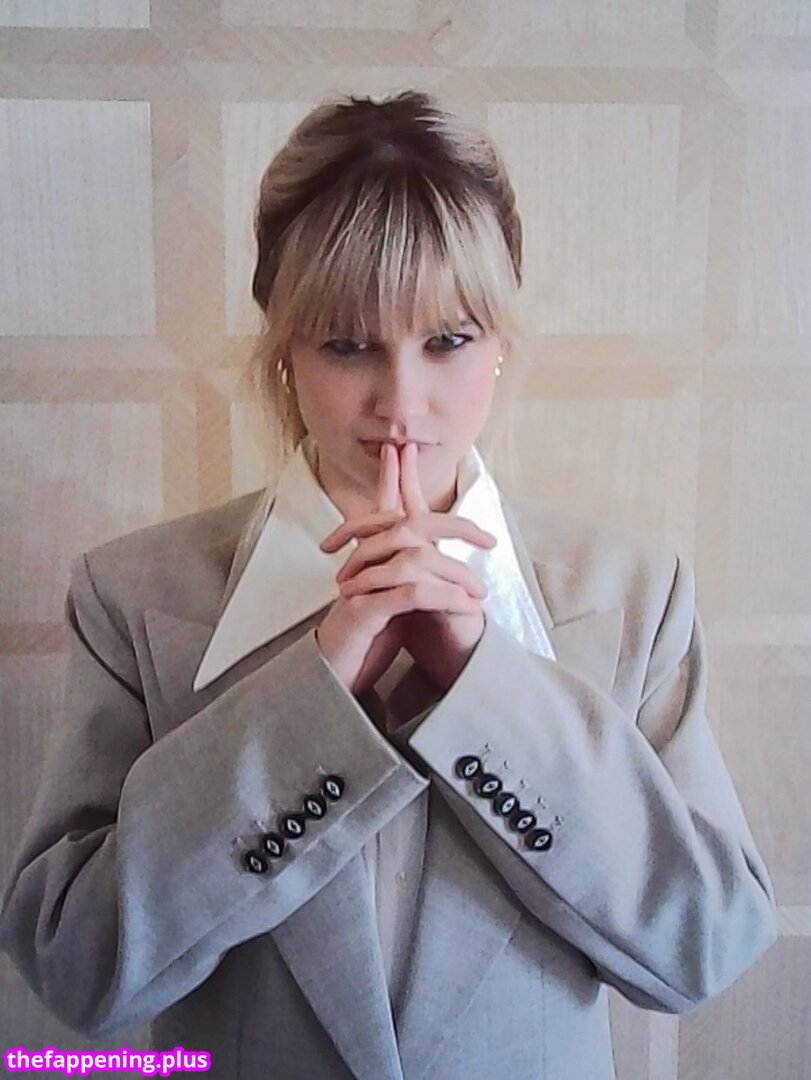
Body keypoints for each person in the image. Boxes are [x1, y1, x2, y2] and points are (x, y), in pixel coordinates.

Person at [0, 89, 777, 1080]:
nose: (401, 403)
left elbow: (705, 944)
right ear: (285, 348)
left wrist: (482, 685)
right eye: (346, 342)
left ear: (499, 341)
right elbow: (75, 967)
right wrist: (314, 696)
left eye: (447, 339)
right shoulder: (134, 597)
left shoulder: (632, 598)